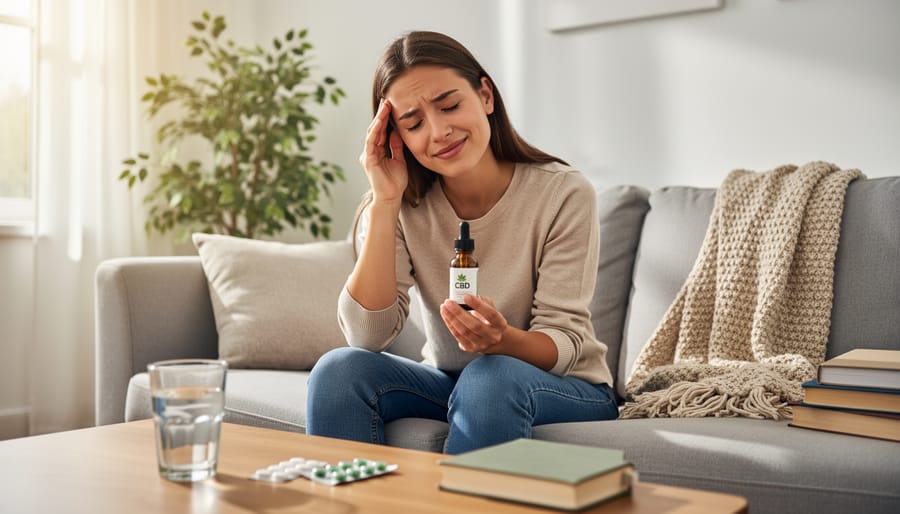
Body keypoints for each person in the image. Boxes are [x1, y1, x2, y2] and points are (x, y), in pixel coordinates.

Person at [306, 31, 618, 454]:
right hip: (455, 380)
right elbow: (366, 337)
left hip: (564, 385)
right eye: (414, 123)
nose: (439, 132)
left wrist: (503, 340)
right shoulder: (396, 202)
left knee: (490, 377)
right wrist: (385, 200)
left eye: (450, 105)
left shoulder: (563, 193)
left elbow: (564, 341)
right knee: (338, 371)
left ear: (485, 95)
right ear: (395, 138)